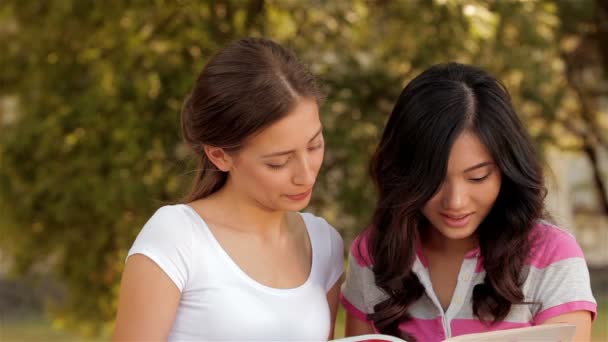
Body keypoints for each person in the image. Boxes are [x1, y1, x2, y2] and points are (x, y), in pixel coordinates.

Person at [340, 63, 596, 341]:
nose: (456, 202)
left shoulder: (552, 255)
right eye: (434, 180)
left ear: (505, 170)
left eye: (477, 177)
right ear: (405, 175)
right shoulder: (374, 253)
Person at [113, 37, 344, 341]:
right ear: (220, 155)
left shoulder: (323, 244)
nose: (306, 175)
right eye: (278, 162)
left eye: (315, 145)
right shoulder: (177, 238)